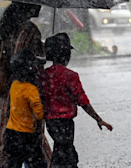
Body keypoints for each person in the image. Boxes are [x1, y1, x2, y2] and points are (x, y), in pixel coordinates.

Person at [0, 2, 51, 168]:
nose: (40, 6)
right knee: (32, 141)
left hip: (2, 92)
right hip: (23, 93)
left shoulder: (5, 28)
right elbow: (31, 61)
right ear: (28, 6)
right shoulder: (30, 30)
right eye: (37, 3)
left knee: (7, 144)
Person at [41, 33, 113, 168]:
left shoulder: (44, 76)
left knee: (62, 150)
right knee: (66, 153)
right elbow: (82, 100)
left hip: (50, 123)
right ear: (66, 55)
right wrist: (97, 118)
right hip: (66, 123)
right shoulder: (71, 76)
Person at [3, 49, 47, 168]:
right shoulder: (31, 90)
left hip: (11, 133)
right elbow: (39, 115)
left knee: (13, 163)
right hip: (27, 136)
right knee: (38, 164)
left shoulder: (14, 85)